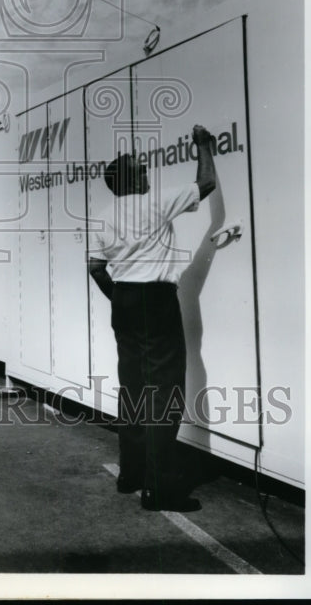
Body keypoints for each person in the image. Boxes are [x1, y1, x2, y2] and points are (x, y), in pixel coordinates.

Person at [88, 124, 216, 512]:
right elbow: (205, 182)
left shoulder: (104, 215)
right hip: (156, 301)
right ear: (132, 179)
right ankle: (159, 489)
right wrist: (204, 145)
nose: (146, 172)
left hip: (124, 300)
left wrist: (120, 299)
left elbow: (96, 267)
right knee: (163, 394)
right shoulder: (156, 203)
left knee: (132, 388)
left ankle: (130, 474)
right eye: (140, 169)